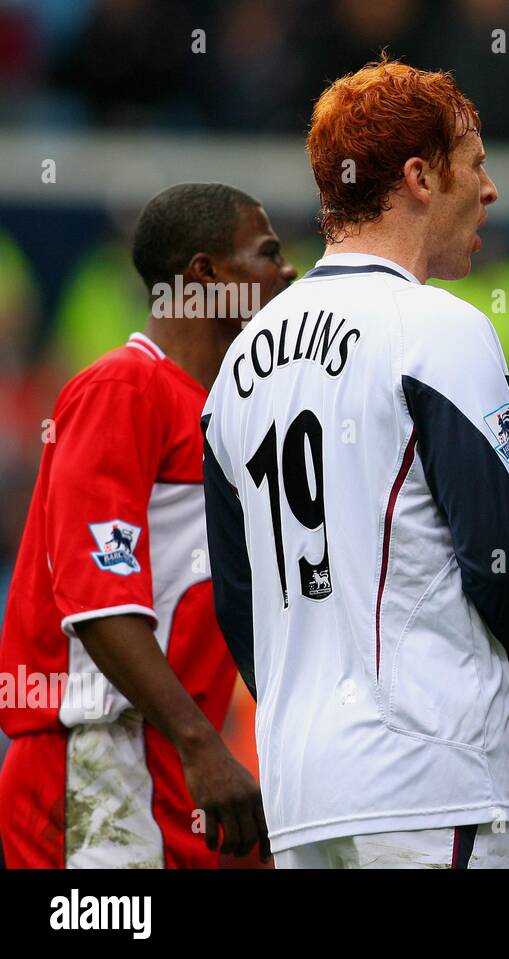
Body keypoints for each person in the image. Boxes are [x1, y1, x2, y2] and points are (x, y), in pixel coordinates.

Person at [201, 58, 509, 870]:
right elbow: (502, 550)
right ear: (420, 176)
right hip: (426, 778)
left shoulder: (236, 367)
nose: (490, 191)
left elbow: (236, 598)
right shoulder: (435, 328)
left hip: (302, 787)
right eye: (475, 165)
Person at [0, 182, 296, 867]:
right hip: (92, 757)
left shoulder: (232, 417)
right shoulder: (123, 390)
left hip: (177, 760)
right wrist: (202, 745)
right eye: (267, 252)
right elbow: (99, 600)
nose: (286, 272)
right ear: (206, 274)